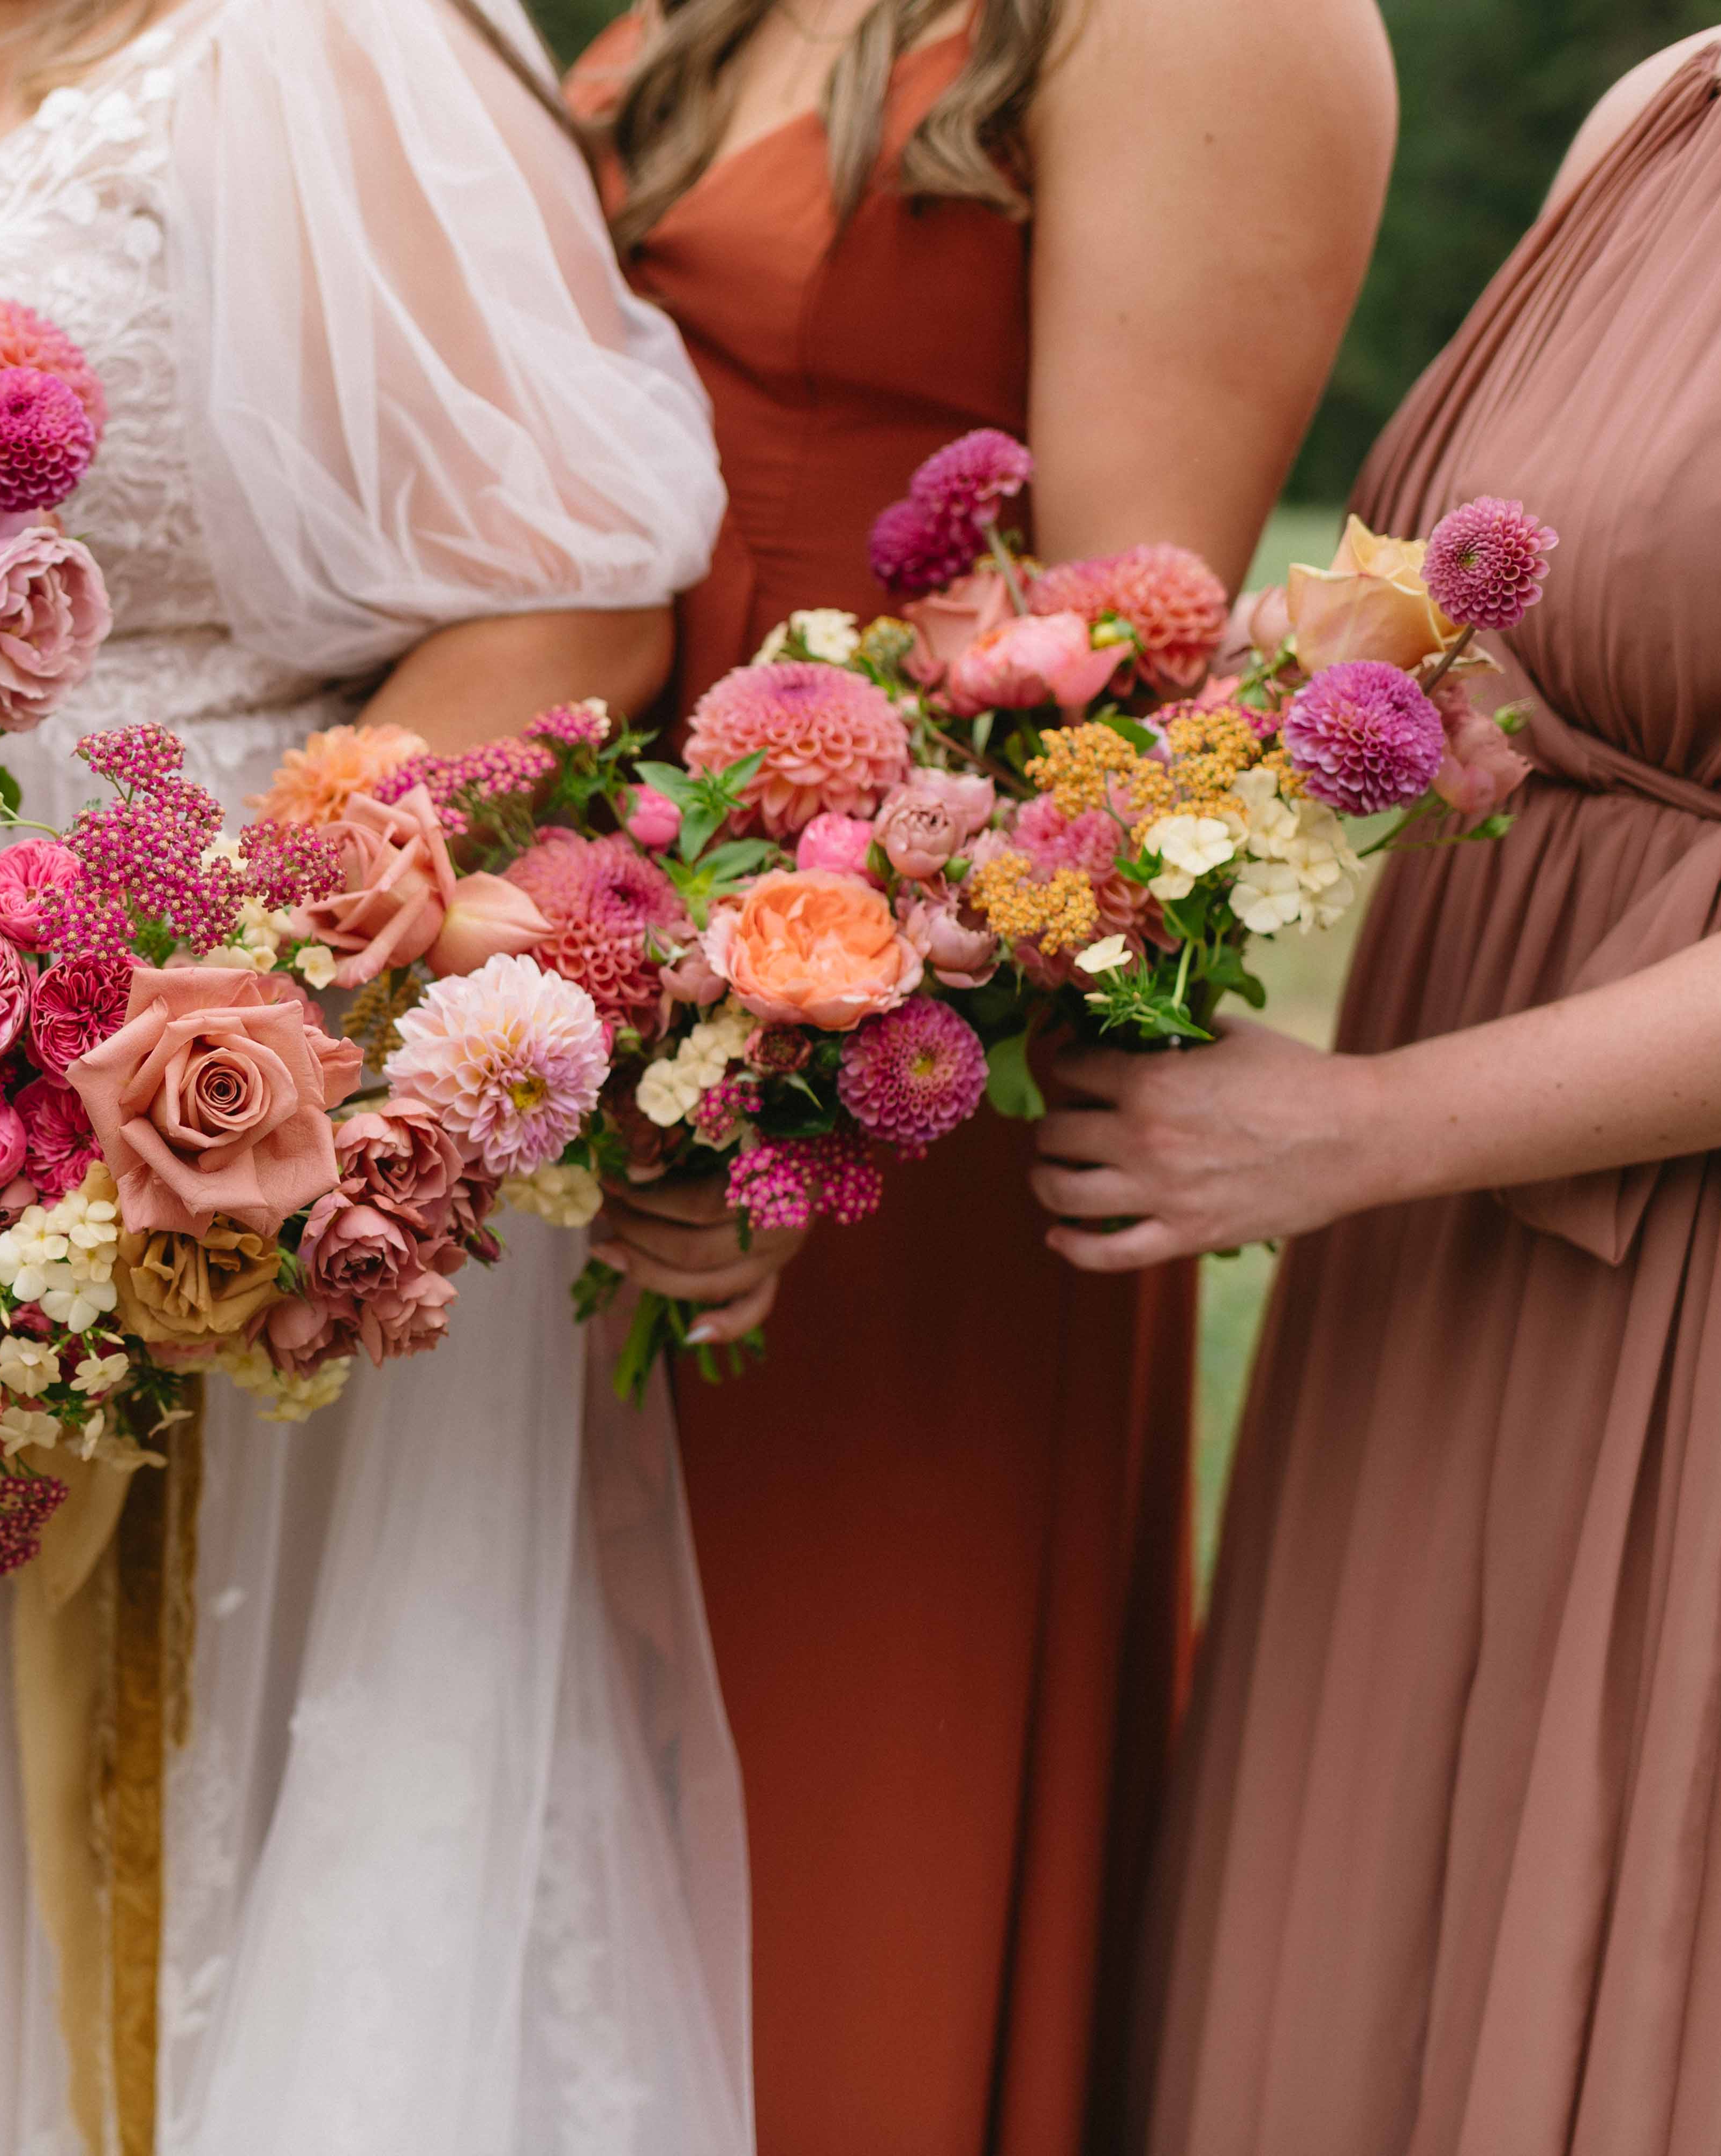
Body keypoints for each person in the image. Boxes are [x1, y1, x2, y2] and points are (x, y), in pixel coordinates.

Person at [0, 2, 746, 2150]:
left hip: (175, 1111)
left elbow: (579, 598)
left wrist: (172, 1022)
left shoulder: (318, 41)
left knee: (165, 1812)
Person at [566, 2, 1391, 2148]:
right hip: (580, 1017)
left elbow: (1120, 712)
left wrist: (767, 1092)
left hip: (876, 1085)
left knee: (815, 1885)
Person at [1029, 30, 1721, 2153]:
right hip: (1444, 1304)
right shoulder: (1673, 108)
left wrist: (1358, 1127)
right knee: (1370, 1992)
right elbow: (1446, 636)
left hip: (1660, 1273)